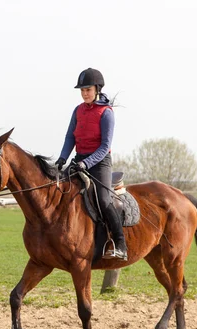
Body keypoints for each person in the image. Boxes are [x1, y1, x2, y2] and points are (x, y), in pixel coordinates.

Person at [55, 68, 127, 261]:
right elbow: (70, 136)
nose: (84, 93)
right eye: (82, 90)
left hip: (100, 163)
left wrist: (86, 164)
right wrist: (62, 158)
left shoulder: (106, 113)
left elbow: (105, 146)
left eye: (88, 89)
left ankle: (120, 243)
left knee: (103, 200)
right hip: (79, 160)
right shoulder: (78, 110)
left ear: (97, 89)